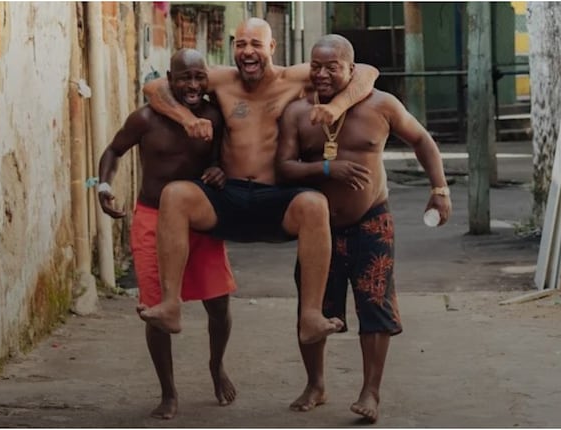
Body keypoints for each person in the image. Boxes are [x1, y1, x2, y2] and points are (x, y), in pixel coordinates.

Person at [138, 18, 381, 346]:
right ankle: (170, 305)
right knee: (176, 194)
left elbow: (366, 72)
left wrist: (337, 106)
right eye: (241, 44)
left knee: (313, 204)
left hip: (275, 195)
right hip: (229, 193)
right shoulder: (221, 79)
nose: (248, 51)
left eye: (256, 44)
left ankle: (311, 315)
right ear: (233, 48)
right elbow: (154, 88)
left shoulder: (293, 78)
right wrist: (188, 119)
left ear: (272, 47)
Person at [276, 34, 452, 423]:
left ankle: (370, 391)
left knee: (375, 304)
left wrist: (439, 188)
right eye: (315, 66)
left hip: (372, 218)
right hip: (319, 228)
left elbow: (422, 139)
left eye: (331, 67)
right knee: (313, 305)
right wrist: (325, 168)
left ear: (350, 69)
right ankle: (316, 384)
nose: (321, 74)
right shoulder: (296, 113)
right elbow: (284, 168)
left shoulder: (381, 105)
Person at [97, 49, 237, 420]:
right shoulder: (145, 118)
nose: (192, 85)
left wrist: (219, 171)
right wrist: (101, 188)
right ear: (169, 80)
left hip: (199, 216)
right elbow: (113, 150)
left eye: (198, 77)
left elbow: (223, 160)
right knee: (155, 310)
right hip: (152, 218)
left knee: (219, 303)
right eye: (184, 78)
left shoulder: (213, 116)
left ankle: (216, 365)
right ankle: (168, 392)